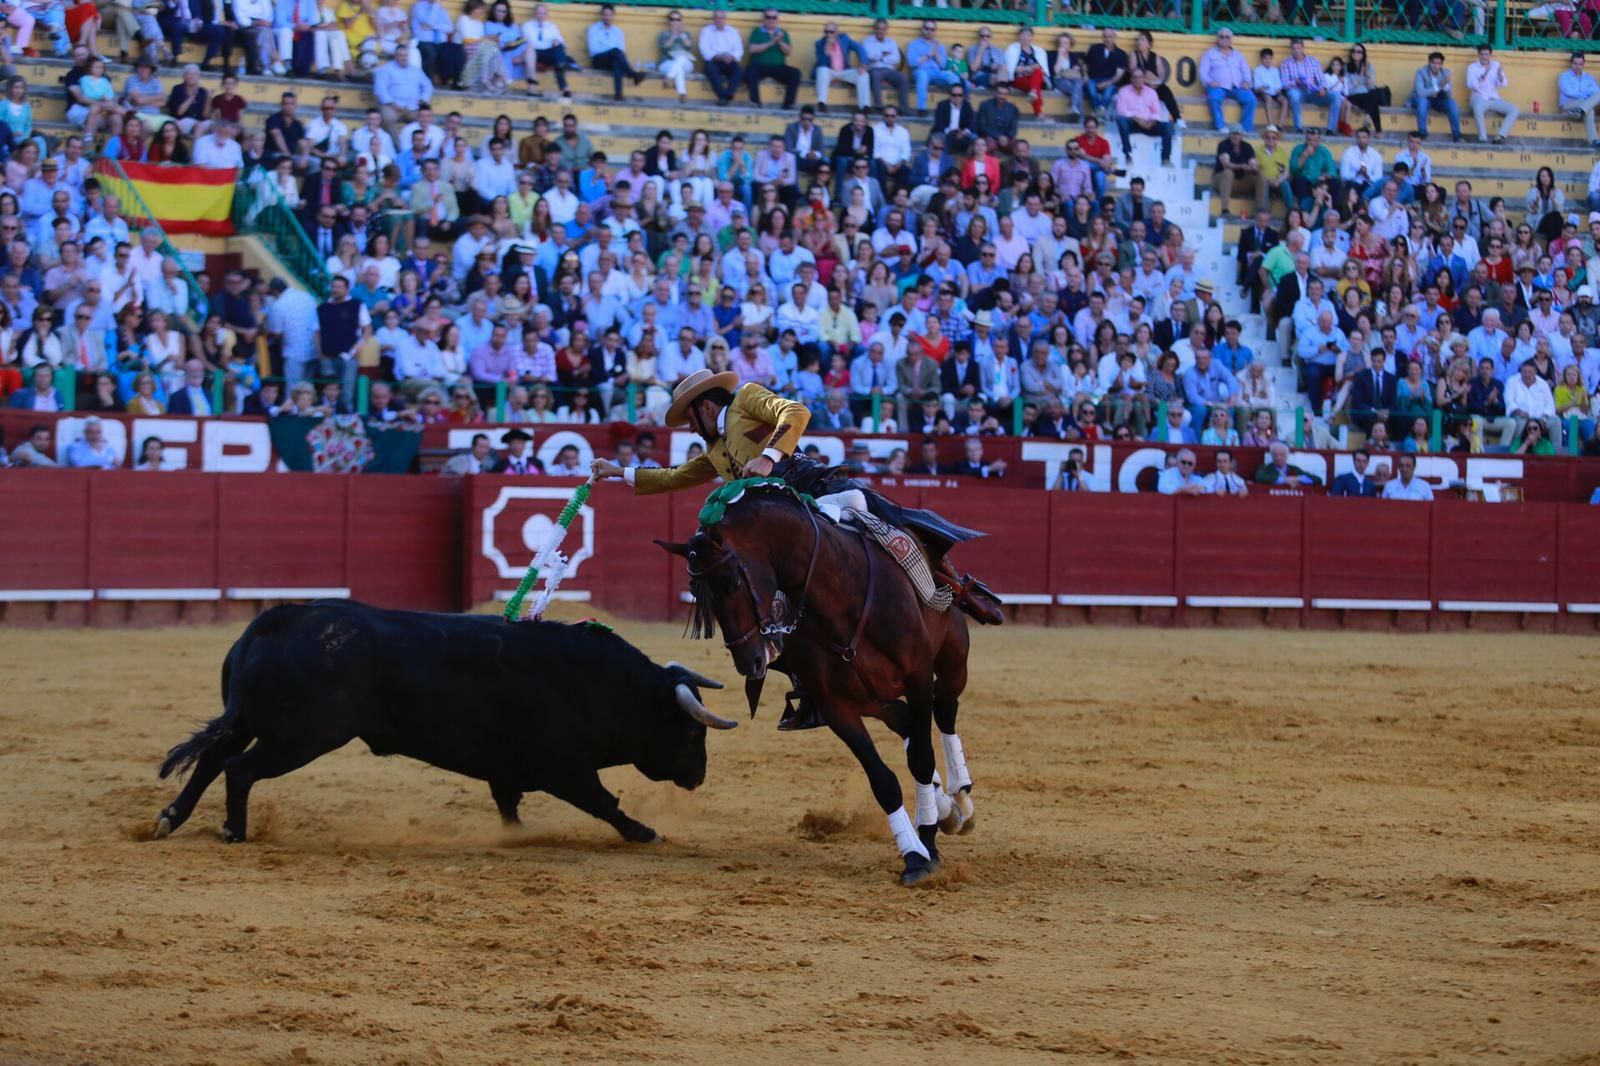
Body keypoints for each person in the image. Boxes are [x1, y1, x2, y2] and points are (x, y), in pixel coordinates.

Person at [1198, 28, 1254, 134]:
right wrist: (1210, 82)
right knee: (1214, 98)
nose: (1224, 39)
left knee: (1251, 99)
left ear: (1231, 39)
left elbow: (1246, 71)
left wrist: (1247, 82)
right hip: (1218, 86)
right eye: (1221, 37)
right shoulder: (1209, 54)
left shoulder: (1238, 55)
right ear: (1217, 39)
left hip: (1237, 86)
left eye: (1227, 37)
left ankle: (1245, 128)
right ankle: (1220, 126)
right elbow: (1202, 73)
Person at [586, 4, 645, 103]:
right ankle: (632, 74)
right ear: (601, 15)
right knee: (615, 53)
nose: (607, 17)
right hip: (598, 60)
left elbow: (622, 51)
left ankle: (618, 94)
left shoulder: (618, 31)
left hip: (613, 59)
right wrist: (611, 50)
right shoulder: (594, 29)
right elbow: (594, 49)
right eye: (605, 15)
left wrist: (612, 51)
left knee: (617, 61)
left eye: (609, 15)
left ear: (613, 15)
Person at [1113, 68, 1171, 166]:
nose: (1138, 80)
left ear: (1144, 79)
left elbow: (1157, 112)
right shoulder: (1124, 91)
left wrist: (1152, 121)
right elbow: (1121, 111)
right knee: (1121, 120)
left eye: (1140, 77)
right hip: (1132, 124)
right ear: (1131, 79)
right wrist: (1137, 119)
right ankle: (1128, 154)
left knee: (1167, 127)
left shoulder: (1151, 93)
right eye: (1135, 77)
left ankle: (1165, 159)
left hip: (1148, 124)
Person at [1466, 44, 1517, 145]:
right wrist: (1485, 72)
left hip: (1494, 99)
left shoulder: (1496, 65)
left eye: (1487, 54)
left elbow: (1504, 84)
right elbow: (1471, 86)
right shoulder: (1472, 67)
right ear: (1478, 55)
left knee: (1514, 109)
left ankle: (1500, 136)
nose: (1484, 57)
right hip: (1479, 98)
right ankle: (1482, 138)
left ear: (1490, 55)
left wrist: (1499, 74)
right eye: (1482, 54)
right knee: (1477, 108)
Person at [812, 21, 867, 113]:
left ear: (837, 32)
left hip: (844, 71)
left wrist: (863, 64)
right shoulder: (820, 43)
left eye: (831, 32)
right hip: (829, 72)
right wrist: (827, 46)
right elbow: (822, 63)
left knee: (864, 75)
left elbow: (859, 48)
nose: (828, 34)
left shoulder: (844, 40)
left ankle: (864, 106)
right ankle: (822, 103)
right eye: (826, 32)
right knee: (821, 70)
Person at [1411, 52, 1462, 143]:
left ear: (1441, 65)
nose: (1435, 66)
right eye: (1433, 63)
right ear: (1429, 63)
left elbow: (1449, 96)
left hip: (1438, 100)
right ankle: (1422, 133)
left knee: (1452, 103)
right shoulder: (1421, 72)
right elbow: (1421, 93)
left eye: (1438, 64)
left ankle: (1457, 135)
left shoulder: (1445, 73)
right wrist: (1438, 86)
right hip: (1422, 99)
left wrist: (1446, 88)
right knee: (1422, 102)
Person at [859, 19, 907, 113]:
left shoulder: (891, 42)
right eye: (878, 29)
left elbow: (896, 59)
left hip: (889, 70)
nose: (880, 31)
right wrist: (885, 55)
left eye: (883, 29)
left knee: (902, 78)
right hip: (874, 69)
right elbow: (869, 55)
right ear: (875, 29)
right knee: (876, 75)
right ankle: (879, 106)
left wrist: (880, 58)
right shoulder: (867, 41)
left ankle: (903, 108)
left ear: (886, 30)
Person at [698, 8, 743, 106]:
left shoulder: (733, 32)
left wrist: (731, 57)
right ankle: (722, 97)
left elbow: (739, 51)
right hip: (714, 61)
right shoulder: (706, 31)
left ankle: (727, 96)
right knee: (710, 68)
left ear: (725, 19)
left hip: (729, 61)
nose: (719, 20)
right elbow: (705, 51)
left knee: (738, 70)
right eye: (717, 18)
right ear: (713, 19)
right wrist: (719, 57)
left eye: (721, 18)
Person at [1558, 52, 1600, 150]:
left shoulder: (1589, 78)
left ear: (1583, 64)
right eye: (1575, 64)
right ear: (1571, 64)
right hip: (1568, 106)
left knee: (1591, 108)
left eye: (1580, 64)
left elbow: (1596, 92)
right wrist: (1586, 96)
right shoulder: (1564, 76)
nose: (1577, 66)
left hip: (1580, 109)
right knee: (1588, 108)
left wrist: (1583, 97)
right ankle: (1581, 110)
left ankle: (1593, 140)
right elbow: (1568, 91)